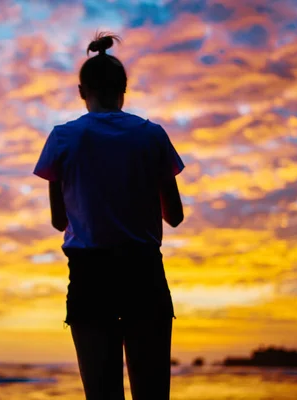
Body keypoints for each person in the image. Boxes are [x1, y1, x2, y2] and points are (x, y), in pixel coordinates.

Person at [33, 33, 185, 400]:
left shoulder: (64, 137)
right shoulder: (152, 135)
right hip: (143, 270)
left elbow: (58, 220)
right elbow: (175, 216)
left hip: (90, 274)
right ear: (124, 89)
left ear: (81, 91)